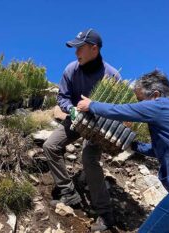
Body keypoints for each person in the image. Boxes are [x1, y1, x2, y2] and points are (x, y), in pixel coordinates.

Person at [77, 70, 169, 233]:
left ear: (156, 95)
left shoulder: (161, 105)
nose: (138, 104)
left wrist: (91, 105)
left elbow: (121, 110)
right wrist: (133, 145)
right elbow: (160, 150)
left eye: (140, 100)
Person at [43, 28, 121, 231]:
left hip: (99, 125)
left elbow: (118, 108)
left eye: (80, 48)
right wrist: (72, 110)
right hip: (76, 119)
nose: (76, 52)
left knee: (89, 158)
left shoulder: (111, 76)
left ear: (94, 48)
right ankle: (69, 194)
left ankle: (105, 214)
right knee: (50, 146)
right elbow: (62, 97)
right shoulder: (71, 69)